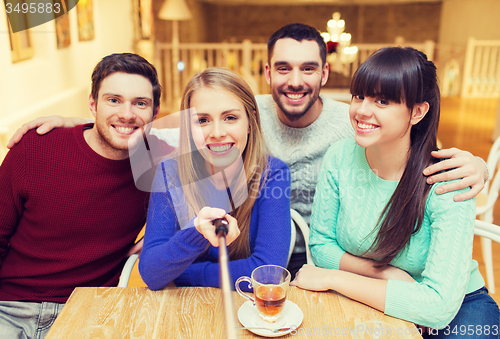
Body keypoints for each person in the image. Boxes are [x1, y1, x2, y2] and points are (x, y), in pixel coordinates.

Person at [6, 23, 489, 279]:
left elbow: (415, 148)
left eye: (307, 69)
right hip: (238, 263)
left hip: (312, 262)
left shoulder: (357, 120)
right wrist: (83, 118)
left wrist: (475, 162)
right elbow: (146, 127)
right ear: (266, 74)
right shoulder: (235, 111)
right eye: (283, 68)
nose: (294, 80)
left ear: (325, 74)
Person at [290, 47, 500, 338]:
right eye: (359, 96)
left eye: (383, 100)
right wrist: (387, 273)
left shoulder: (447, 179)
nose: (362, 110)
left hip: (457, 308)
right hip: (369, 294)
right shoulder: (339, 157)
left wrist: (331, 277)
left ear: (417, 112)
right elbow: (322, 245)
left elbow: (438, 308)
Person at [0, 53, 174, 338]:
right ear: (93, 103)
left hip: (89, 309)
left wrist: (154, 238)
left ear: (155, 114)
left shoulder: (159, 160)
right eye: (113, 100)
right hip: (10, 306)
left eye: (140, 103)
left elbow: (218, 157)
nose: (127, 114)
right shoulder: (34, 148)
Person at [137, 68, 290, 290]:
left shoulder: (273, 174)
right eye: (203, 120)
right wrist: (196, 232)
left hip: (245, 310)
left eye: (230, 118)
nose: (217, 132)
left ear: (250, 122)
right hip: (182, 309)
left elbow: (269, 273)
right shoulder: (169, 174)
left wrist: (182, 273)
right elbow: (151, 273)